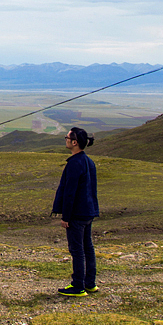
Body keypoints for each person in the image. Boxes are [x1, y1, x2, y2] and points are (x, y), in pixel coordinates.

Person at [51, 126, 99, 297]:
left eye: (68, 137)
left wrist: (66, 216)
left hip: (77, 214)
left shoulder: (74, 163)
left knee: (77, 250)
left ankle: (78, 285)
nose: (66, 139)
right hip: (88, 211)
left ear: (74, 142)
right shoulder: (88, 161)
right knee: (88, 248)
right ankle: (90, 283)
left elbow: (70, 192)